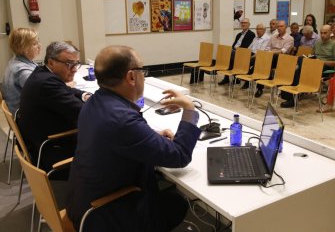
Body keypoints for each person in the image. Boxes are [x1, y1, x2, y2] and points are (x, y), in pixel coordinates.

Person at [66, 45, 201, 231]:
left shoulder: (95, 102)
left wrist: (150, 136)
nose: (143, 76)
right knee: (177, 201)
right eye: (142, 71)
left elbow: (119, 137)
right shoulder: (123, 120)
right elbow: (179, 156)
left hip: (82, 201)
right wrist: (190, 109)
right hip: (102, 216)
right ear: (131, 76)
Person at [17, 41, 91, 172]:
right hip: (55, 150)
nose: (74, 69)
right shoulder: (47, 84)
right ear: (51, 62)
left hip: (41, 142)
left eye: (76, 64)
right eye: (69, 64)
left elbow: (66, 90)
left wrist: (84, 95)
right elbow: (83, 112)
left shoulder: (43, 75)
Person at [280, 25, 335, 108]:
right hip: (314, 64)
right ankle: (290, 94)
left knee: (299, 69)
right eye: (321, 33)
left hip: (326, 67)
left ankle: (290, 96)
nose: (322, 35)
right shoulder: (318, 42)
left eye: (325, 33)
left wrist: (320, 62)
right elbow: (313, 55)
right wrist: (310, 58)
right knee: (300, 60)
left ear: (330, 33)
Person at [2, 28, 41, 114]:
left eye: (38, 41)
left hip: (23, 111)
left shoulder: (15, 60)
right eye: (35, 44)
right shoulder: (21, 70)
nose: (39, 46)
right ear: (23, 48)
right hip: (27, 116)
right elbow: (43, 94)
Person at [258, 20, 294, 98]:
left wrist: (271, 53)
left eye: (281, 26)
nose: (279, 28)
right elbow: (267, 47)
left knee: (265, 61)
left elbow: (283, 51)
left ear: (286, 27)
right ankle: (259, 88)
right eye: (278, 26)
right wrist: (269, 52)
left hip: (282, 60)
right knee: (261, 61)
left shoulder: (290, 38)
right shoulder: (273, 36)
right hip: (270, 57)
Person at [218, 18, 255, 85]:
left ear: (249, 24)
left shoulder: (251, 34)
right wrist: (232, 49)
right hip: (235, 52)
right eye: (242, 23)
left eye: (245, 23)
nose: (243, 24)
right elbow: (234, 45)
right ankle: (229, 78)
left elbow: (245, 47)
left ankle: (231, 78)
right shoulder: (239, 34)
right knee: (228, 53)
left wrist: (235, 50)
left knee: (230, 56)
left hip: (243, 53)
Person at [241, 23, 270, 89]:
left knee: (249, 62)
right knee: (240, 60)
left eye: (260, 29)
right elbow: (249, 47)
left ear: (264, 30)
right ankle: (245, 79)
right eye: (257, 29)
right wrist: (245, 55)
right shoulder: (256, 37)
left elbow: (261, 52)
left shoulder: (267, 38)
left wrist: (250, 57)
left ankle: (249, 81)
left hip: (261, 56)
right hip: (252, 54)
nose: (257, 30)